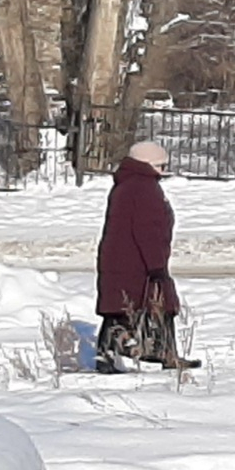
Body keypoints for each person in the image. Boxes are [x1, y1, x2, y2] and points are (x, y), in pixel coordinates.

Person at [94, 140, 187, 371]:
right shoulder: (145, 188)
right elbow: (149, 230)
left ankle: (107, 356)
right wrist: (157, 265)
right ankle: (164, 354)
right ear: (148, 165)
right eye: (161, 166)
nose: (164, 171)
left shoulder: (126, 184)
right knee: (158, 304)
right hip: (139, 262)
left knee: (119, 308)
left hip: (122, 259)